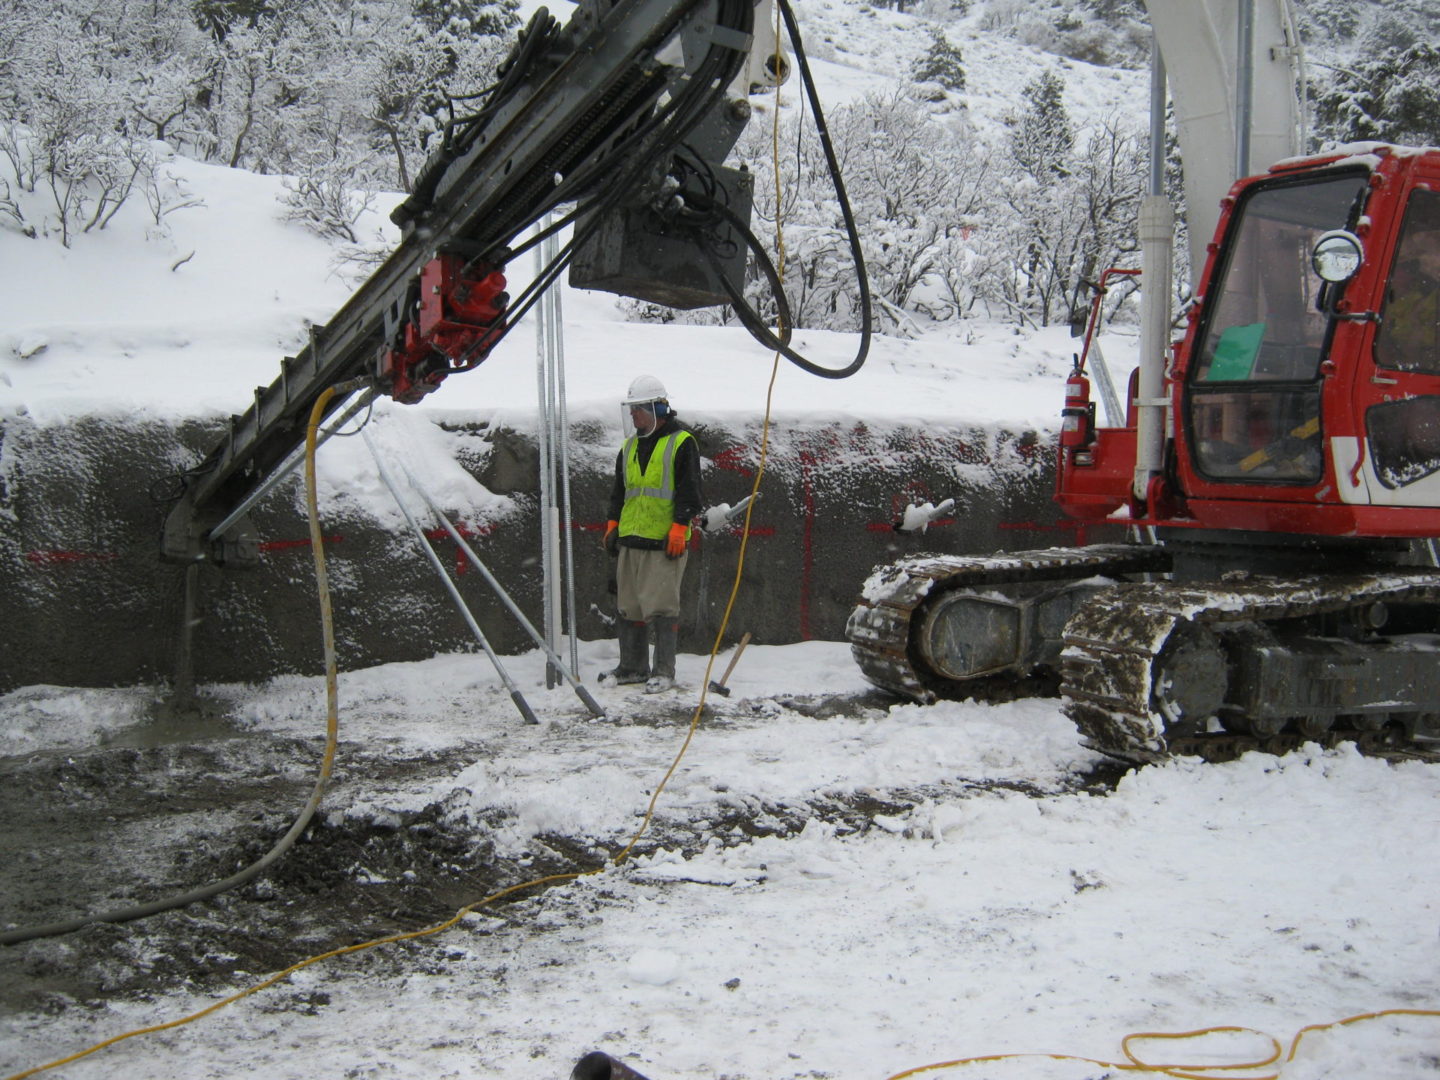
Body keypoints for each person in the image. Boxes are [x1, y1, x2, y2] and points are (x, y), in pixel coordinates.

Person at [600, 375, 704, 692]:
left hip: (663, 542)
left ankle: (663, 670)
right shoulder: (630, 446)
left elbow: (690, 491)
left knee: (661, 608)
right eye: (630, 410)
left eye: (638, 410)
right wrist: (613, 523)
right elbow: (621, 491)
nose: (633, 416)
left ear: (657, 408)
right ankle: (633, 667)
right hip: (631, 540)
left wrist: (679, 527)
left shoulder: (682, 442)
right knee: (629, 606)